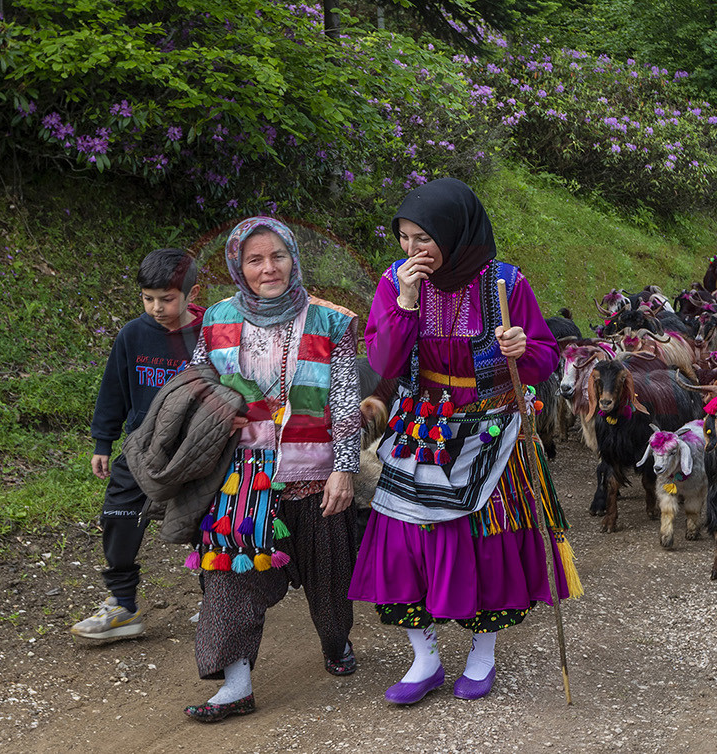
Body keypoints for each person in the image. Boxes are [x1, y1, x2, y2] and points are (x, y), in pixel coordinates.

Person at [348, 178, 578, 706]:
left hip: (491, 429)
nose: (411, 250)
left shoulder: (504, 283)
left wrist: (524, 347)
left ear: (456, 233)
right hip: (422, 428)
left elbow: (544, 355)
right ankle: (424, 658)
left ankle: (482, 654)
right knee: (403, 543)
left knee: (484, 543)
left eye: (423, 238)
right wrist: (404, 304)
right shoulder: (395, 283)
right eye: (403, 237)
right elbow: (381, 362)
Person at [182, 217, 363, 722]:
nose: (268, 269)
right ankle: (235, 684)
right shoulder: (216, 319)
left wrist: (344, 468)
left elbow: (346, 399)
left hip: (315, 472)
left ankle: (335, 642)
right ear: (238, 266)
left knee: (330, 579)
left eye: (277, 256)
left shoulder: (332, 321)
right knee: (228, 576)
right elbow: (197, 385)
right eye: (254, 260)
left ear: (294, 258)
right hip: (241, 477)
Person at [72, 249, 205, 641]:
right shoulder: (133, 335)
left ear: (191, 292)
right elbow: (112, 389)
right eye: (148, 298)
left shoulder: (211, 335)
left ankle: (215, 597)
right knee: (118, 515)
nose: (156, 308)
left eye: (167, 299)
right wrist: (102, 441)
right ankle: (122, 605)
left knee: (204, 520)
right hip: (140, 446)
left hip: (194, 449)